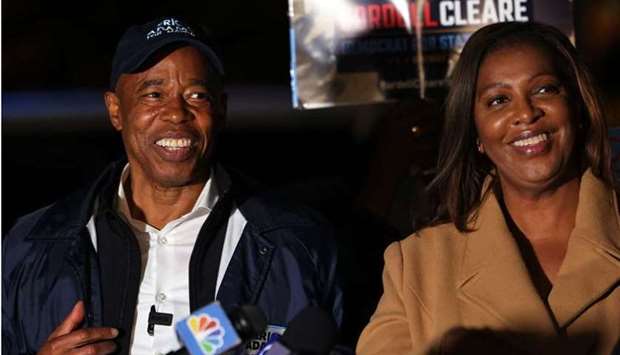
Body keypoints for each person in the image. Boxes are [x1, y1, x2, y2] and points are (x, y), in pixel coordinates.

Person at [2, 17, 342, 355]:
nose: (177, 113)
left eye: (197, 95)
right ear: (116, 110)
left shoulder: (299, 243)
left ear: (221, 109)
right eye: (153, 94)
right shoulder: (33, 244)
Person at [357, 21, 620, 354]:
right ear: (476, 135)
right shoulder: (416, 265)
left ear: (578, 109)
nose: (525, 113)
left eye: (544, 89)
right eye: (498, 100)